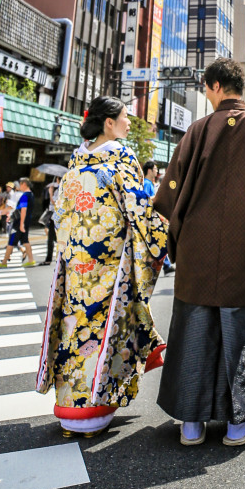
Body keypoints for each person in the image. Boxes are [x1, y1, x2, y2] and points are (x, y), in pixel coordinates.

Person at [153, 58, 245, 448]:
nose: (206, 93)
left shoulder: (197, 130)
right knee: (243, 327)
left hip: (197, 246)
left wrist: (179, 232)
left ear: (215, 86)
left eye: (206, 88)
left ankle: (191, 424)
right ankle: (238, 425)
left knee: (194, 327)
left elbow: (172, 190)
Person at [36, 96, 167, 437]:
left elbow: (61, 214)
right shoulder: (121, 157)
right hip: (110, 262)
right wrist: (165, 233)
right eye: (125, 117)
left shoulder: (76, 161)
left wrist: (73, 247)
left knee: (74, 326)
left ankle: (70, 405)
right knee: (107, 326)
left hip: (77, 261)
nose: (128, 122)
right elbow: (139, 210)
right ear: (109, 122)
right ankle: (95, 404)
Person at [0, 179, 37, 267]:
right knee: (25, 241)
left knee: (11, 241)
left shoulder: (24, 196)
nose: (19, 186)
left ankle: (4, 262)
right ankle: (31, 260)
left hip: (19, 222)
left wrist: (21, 224)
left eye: (20, 184)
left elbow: (23, 210)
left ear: (24, 184)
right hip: (26, 221)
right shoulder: (31, 195)